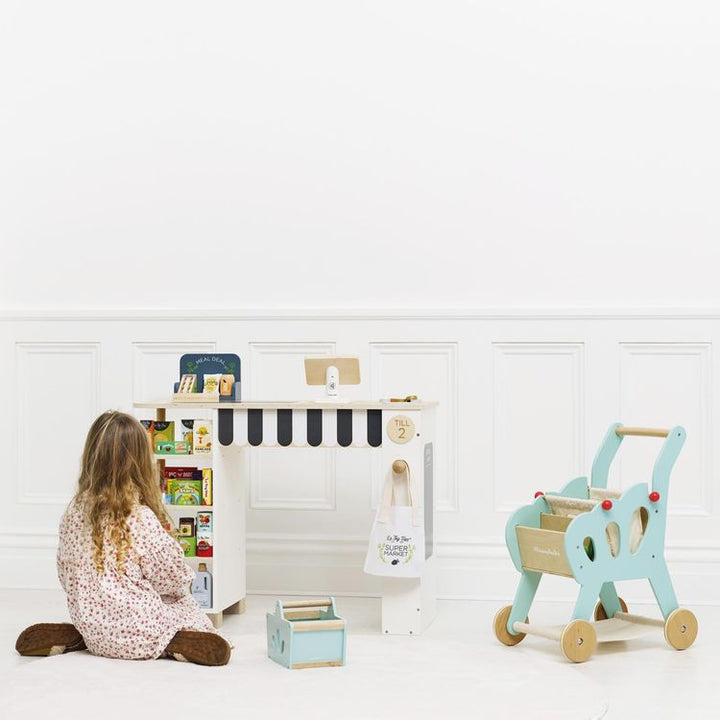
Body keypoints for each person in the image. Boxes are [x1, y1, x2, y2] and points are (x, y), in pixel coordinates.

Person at [15, 411, 231, 666]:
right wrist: (180, 587)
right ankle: (173, 642)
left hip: (93, 628)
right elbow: (172, 578)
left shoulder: (73, 513)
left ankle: (81, 636)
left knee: (106, 611)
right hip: (143, 629)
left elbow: (66, 575)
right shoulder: (140, 518)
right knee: (184, 607)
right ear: (140, 463)